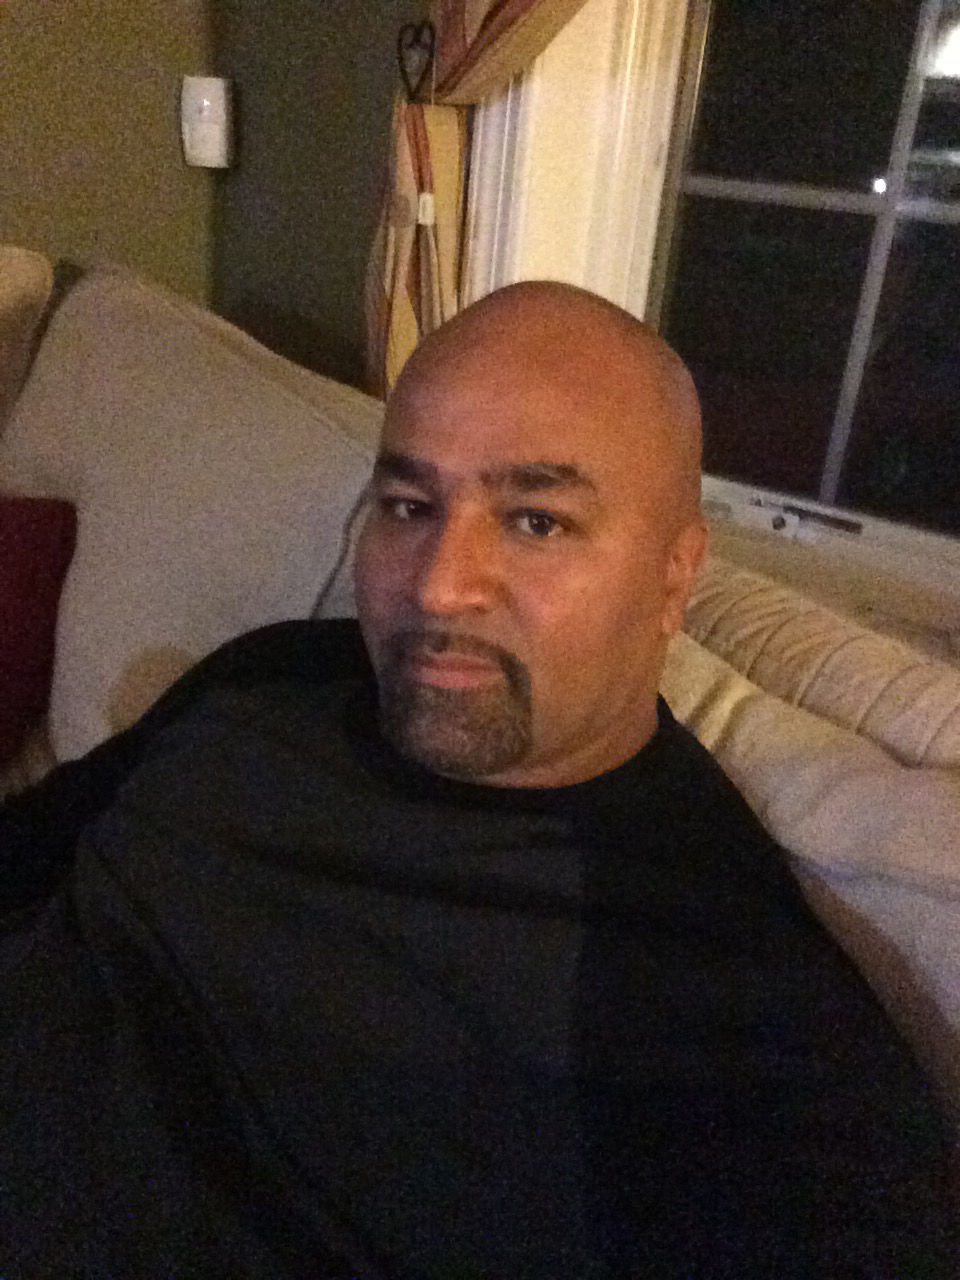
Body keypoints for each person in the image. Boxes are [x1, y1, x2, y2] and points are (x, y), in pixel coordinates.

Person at [0, 283, 954, 1278]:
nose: (437, 585)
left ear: (675, 575)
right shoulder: (278, 675)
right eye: (409, 506)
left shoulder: (750, 1042)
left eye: (537, 520)